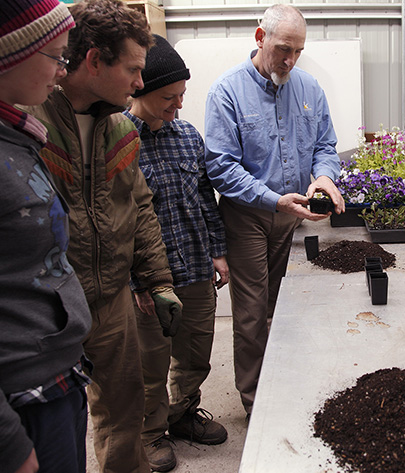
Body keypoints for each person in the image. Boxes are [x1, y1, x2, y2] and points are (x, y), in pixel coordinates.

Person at [23, 1, 183, 472]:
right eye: (133, 70)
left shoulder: (119, 129)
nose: (140, 83)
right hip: (51, 305)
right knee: (58, 421)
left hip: (111, 298)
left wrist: (158, 281)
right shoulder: (30, 124)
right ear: (94, 60)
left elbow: (138, 207)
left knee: (124, 407)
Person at [204, 4, 345, 416]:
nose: (290, 59)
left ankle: (279, 380)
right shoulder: (227, 92)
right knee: (250, 312)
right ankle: (255, 402)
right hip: (247, 216)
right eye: (283, 48)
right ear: (259, 37)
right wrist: (273, 199)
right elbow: (221, 166)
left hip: (291, 215)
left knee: (279, 306)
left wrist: (324, 177)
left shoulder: (308, 89)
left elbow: (324, 146)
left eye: (298, 51)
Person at [124, 35, 230, 472]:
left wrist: (218, 253)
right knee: (149, 364)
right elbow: (115, 225)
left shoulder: (187, 136)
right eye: (169, 97)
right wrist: (137, 283)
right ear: (138, 90)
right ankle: (150, 433)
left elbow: (206, 198)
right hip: (149, 282)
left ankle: (183, 412)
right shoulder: (117, 142)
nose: (178, 106)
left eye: (182, 96)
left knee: (195, 352)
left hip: (195, 267)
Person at [0, 1, 93, 472]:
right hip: (21, 398)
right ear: (11, 54)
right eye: (56, 56)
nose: (62, 70)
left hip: (54, 375)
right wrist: (10, 445)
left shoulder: (17, 136)